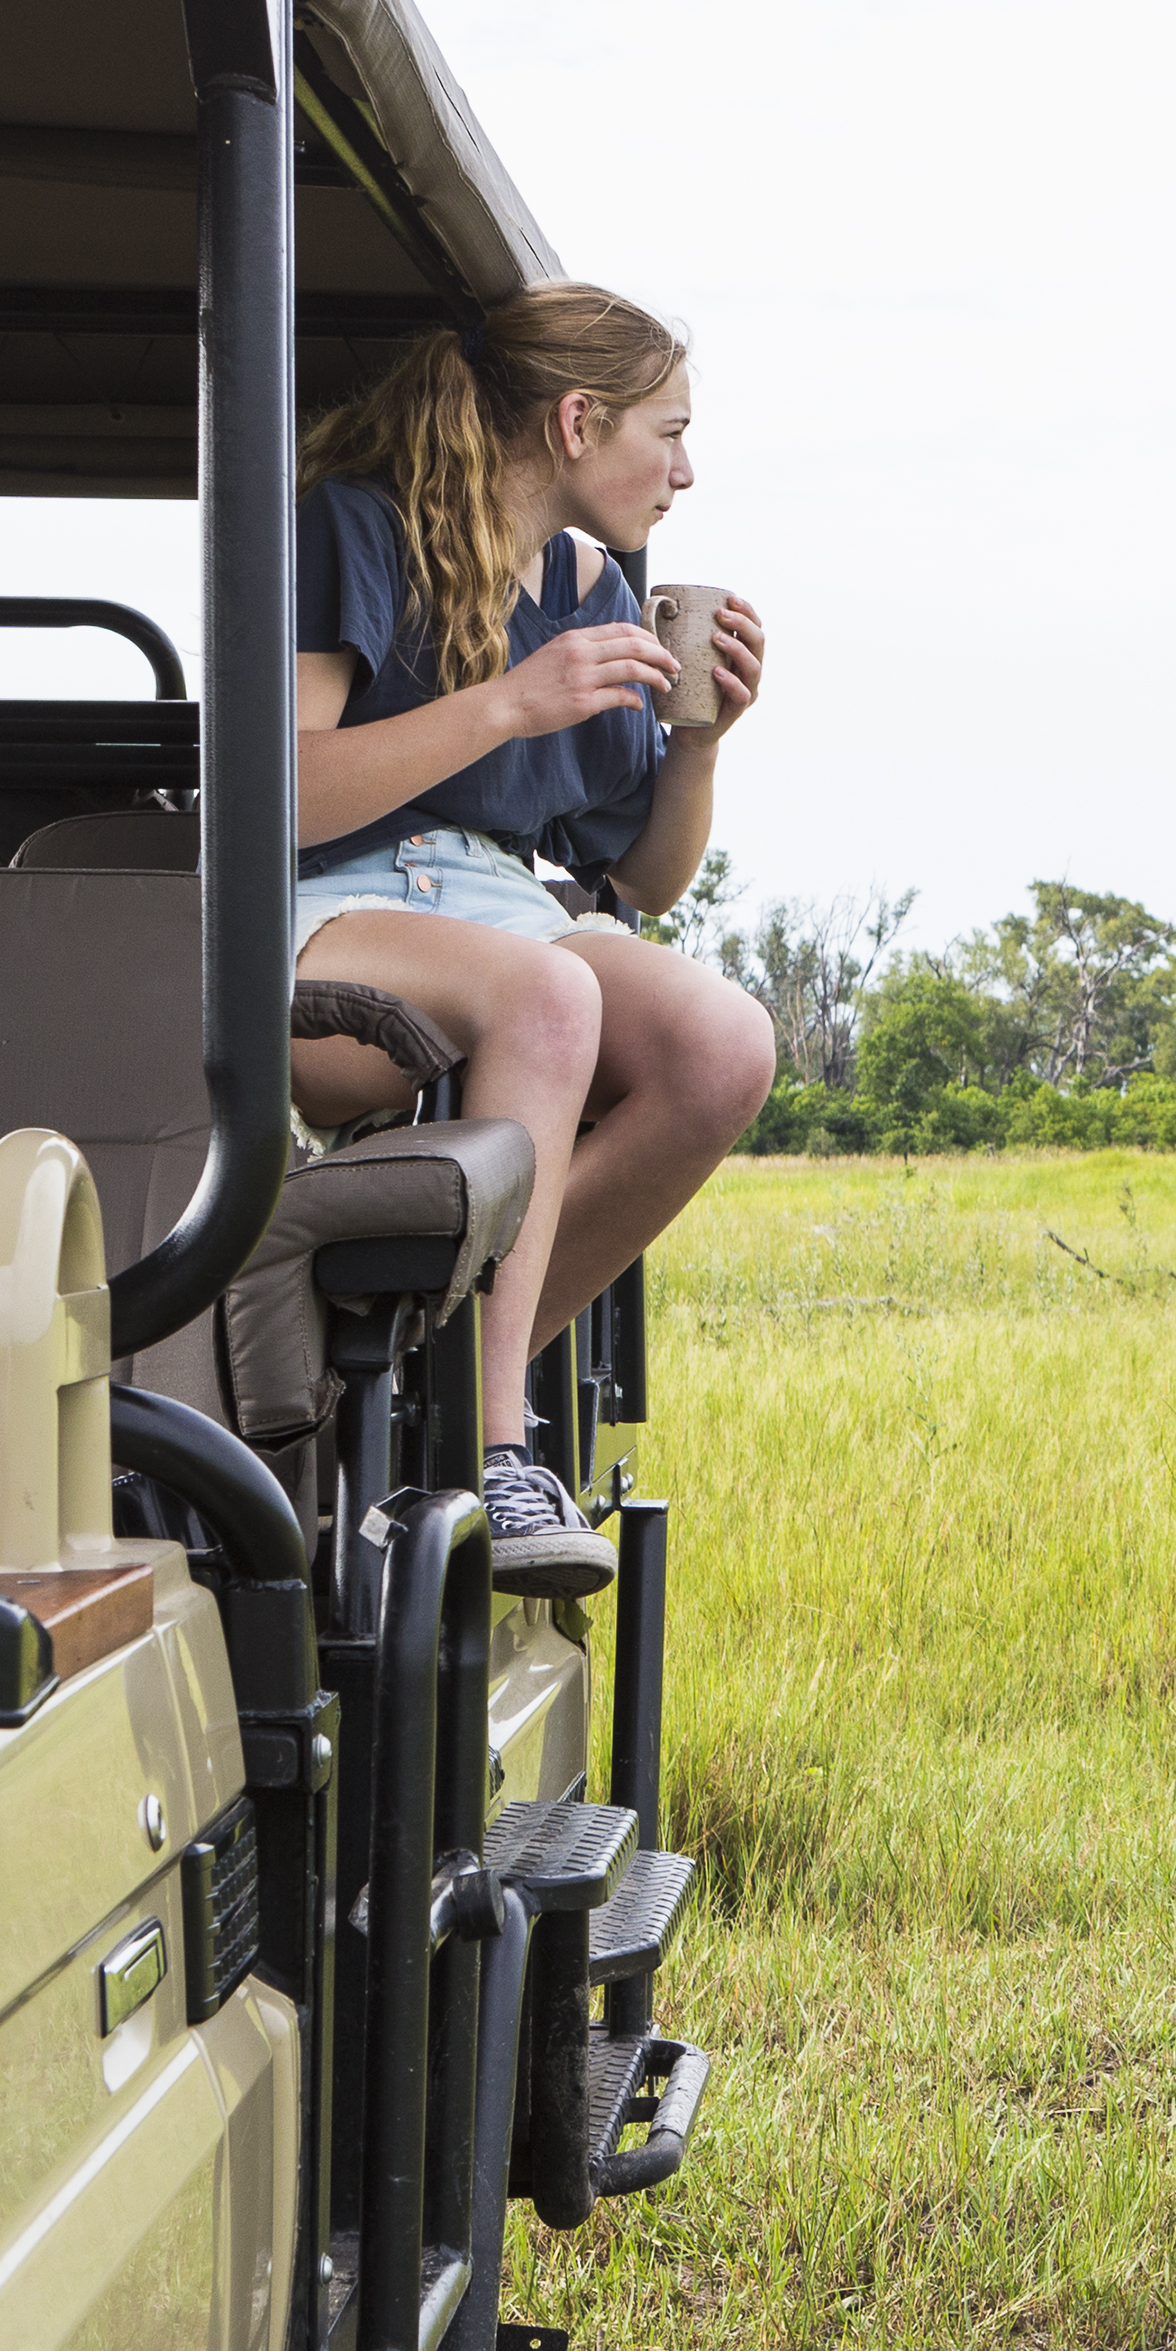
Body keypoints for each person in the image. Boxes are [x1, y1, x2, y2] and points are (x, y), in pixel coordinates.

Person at [289, 282, 781, 1591]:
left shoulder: (598, 588)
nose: (685, 471)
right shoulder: (356, 527)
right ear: (576, 420)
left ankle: (424, 1378)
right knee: (548, 1002)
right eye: (666, 433)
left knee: (723, 1047)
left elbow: (640, 879)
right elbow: (281, 791)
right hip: (335, 905)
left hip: (514, 904)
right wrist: (508, 705)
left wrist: (698, 746)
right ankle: (492, 1448)